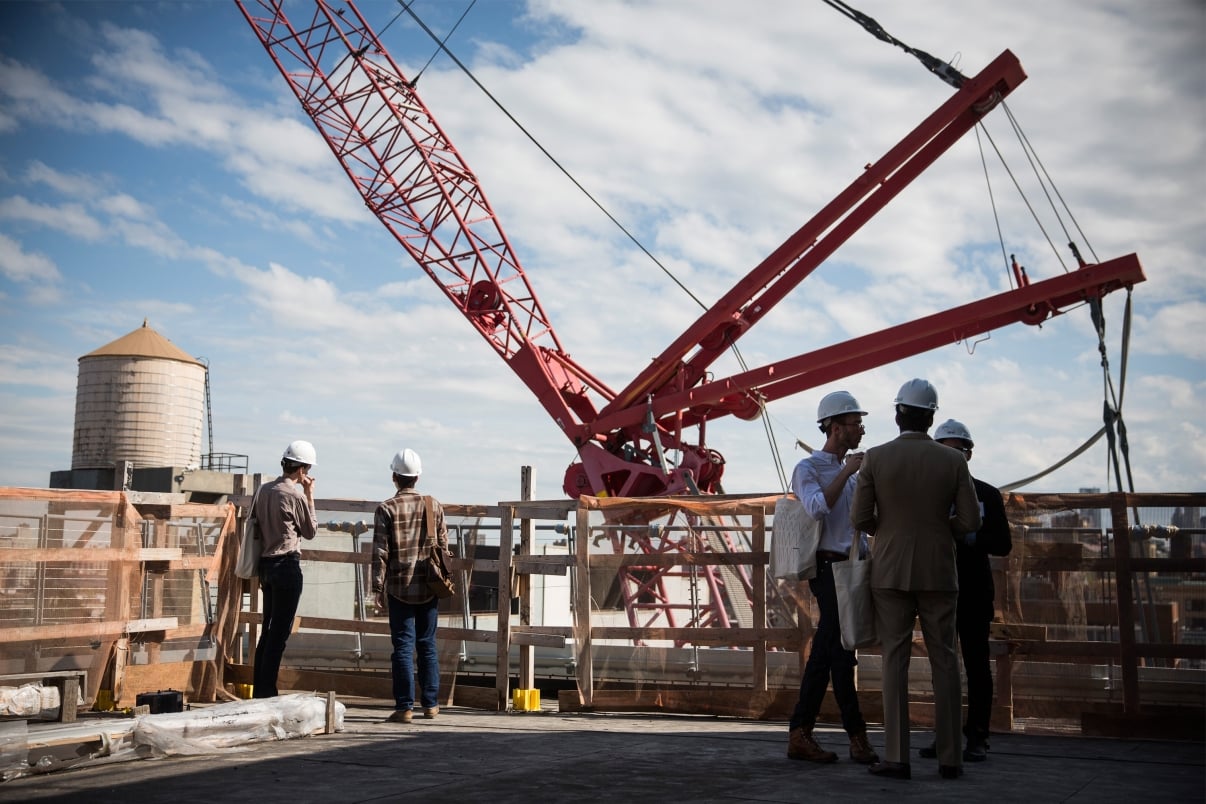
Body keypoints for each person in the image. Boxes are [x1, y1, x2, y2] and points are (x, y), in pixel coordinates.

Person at [850, 379, 981, 781]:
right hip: (940, 570)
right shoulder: (953, 462)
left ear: (897, 414)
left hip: (889, 570)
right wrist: (942, 529)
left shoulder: (876, 458)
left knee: (895, 661)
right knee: (945, 660)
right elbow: (971, 521)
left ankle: (896, 756)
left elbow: (859, 519)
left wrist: (887, 530)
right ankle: (950, 757)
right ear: (931, 417)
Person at [786, 391, 879, 765]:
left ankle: (803, 733)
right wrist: (848, 471)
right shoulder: (808, 469)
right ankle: (854, 737)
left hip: (851, 568)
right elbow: (816, 508)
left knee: (832, 653)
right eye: (856, 423)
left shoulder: (855, 474)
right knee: (839, 653)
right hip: (827, 570)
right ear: (837, 428)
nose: (861, 429)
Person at [920, 419, 1012, 762]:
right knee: (941, 665)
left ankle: (977, 736)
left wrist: (970, 536)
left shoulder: (985, 494)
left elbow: (1003, 543)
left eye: (956, 450)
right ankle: (945, 735)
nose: (950, 456)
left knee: (975, 665)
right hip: (938, 588)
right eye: (944, 450)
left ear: (968, 455)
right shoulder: (927, 496)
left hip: (971, 590)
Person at [372, 448, 449, 724]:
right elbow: (443, 548)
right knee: (427, 644)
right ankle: (431, 704)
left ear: (395, 477)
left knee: (403, 647)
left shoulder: (386, 509)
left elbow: (381, 552)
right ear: (417, 477)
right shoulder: (434, 505)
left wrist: (377, 588)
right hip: (428, 585)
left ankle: (405, 707)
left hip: (399, 587)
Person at [253, 440, 318, 698]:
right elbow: (311, 531)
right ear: (302, 470)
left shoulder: (263, 490)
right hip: (287, 565)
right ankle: (267, 692)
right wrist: (310, 495)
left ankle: (260, 688)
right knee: (279, 634)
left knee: (267, 630)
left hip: (266, 565)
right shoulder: (294, 494)